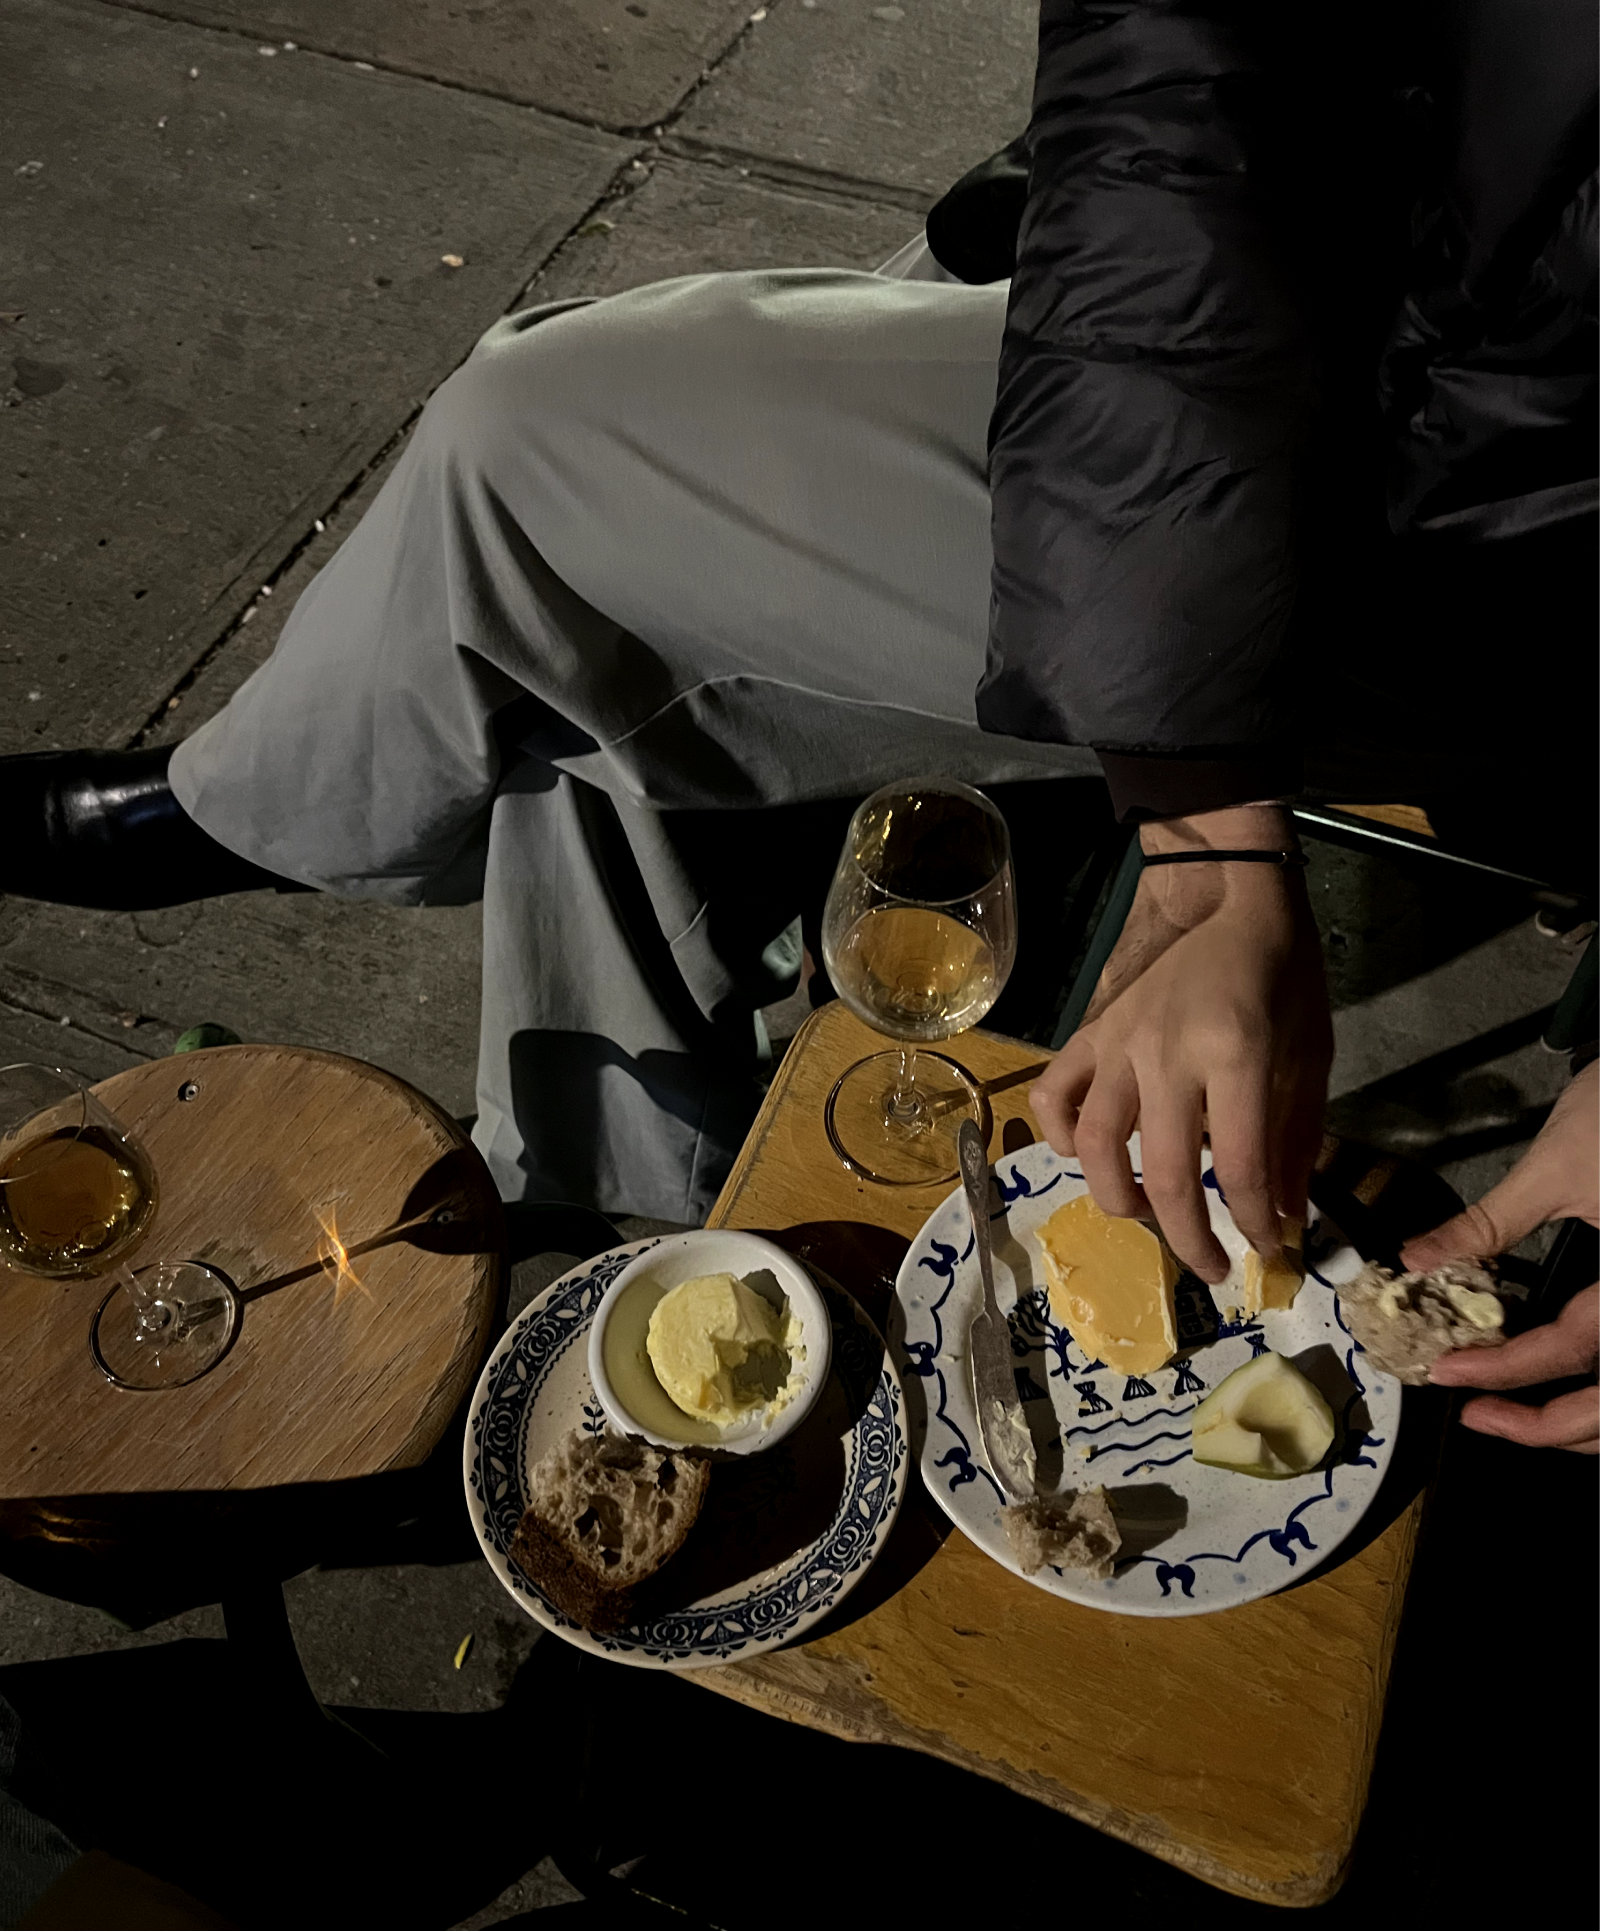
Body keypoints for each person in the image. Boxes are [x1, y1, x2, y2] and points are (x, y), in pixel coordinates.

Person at [4, 7, 1596, 1426]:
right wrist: (1205, 825)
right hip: (1363, 324)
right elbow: (1185, 91)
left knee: (540, 455)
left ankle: (287, 828)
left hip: (1487, 562)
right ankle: (638, 1248)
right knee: (599, 638)